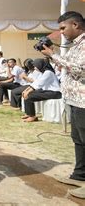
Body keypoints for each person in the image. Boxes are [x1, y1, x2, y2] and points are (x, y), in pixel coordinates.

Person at [40, 11, 84, 199]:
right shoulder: (76, 45)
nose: (62, 32)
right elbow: (69, 67)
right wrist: (54, 57)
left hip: (83, 101)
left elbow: (80, 69)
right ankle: (80, 175)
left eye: (63, 28)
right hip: (74, 100)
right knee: (78, 139)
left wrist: (53, 55)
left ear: (75, 25)